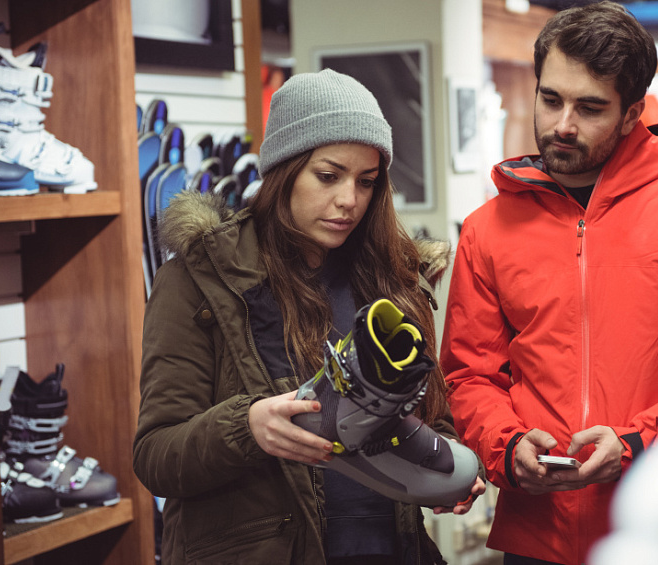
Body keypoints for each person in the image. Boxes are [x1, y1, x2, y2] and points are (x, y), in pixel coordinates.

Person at [439, 3, 658, 564]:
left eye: (590, 107)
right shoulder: (487, 228)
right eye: (551, 99)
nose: (562, 125)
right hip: (536, 538)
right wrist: (508, 446)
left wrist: (639, 442)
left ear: (631, 114)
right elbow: (471, 374)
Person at [133, 69, 484, 565]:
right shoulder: (200, 278)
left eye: (366, 182)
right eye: (328, 175)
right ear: (284, 170)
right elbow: (156, 455)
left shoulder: (396, 282)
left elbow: (430, 422)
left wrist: (444, 475)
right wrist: (248, 427)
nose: (349, 200)